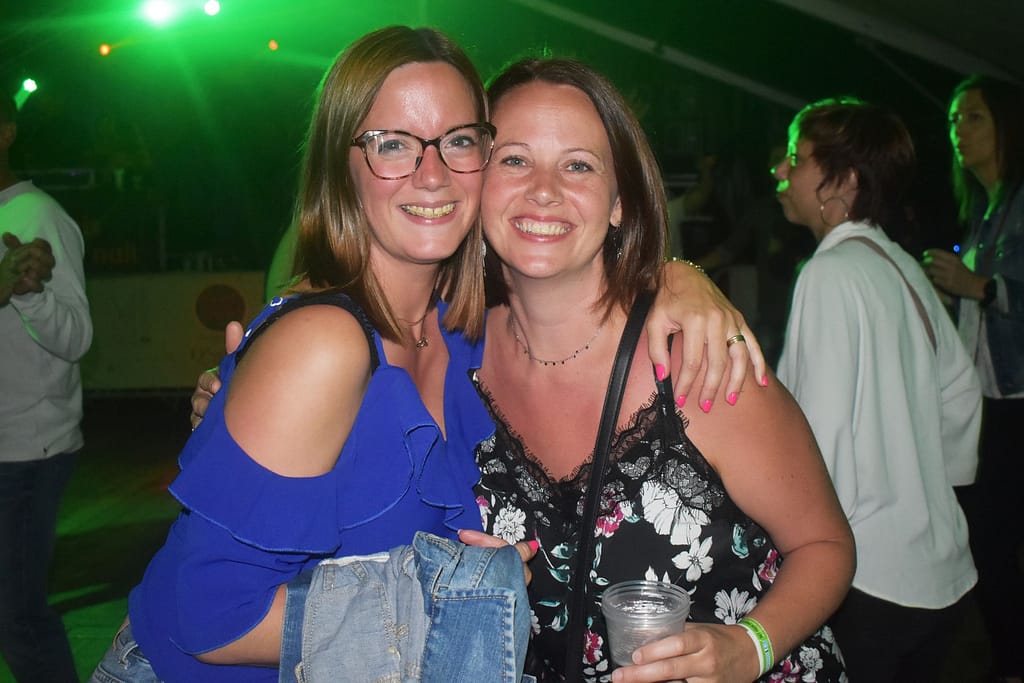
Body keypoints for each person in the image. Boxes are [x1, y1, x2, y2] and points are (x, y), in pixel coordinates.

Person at [469, 58, 854, 683]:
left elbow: (826, 546)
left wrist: (748, 647)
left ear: (619, 204)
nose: (544, 189)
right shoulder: (457, 360)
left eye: (578, 165)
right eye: (514, 159)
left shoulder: (695, 361)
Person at [773, 97, 982, 682]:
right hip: (940, 572)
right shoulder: (902, 265)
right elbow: (962, 393)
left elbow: (820, 432)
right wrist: (923, 489)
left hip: (867, 581)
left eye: (796, 158)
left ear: (843, 181)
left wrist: (797, 551)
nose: (780, 170)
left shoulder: (829, 273)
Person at [923, 74, 1024, 682]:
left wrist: (979, 286)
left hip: (1017, 400)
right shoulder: (986, 209)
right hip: (996, 399)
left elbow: (998, 294)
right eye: (954, 120)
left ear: (1008, 124)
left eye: (974, 118)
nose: (958, 131)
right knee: (989, 538)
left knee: (989, 538)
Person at [0, 95, 93, 682]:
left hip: (26, 451)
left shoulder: (38, 215)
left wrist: (29, 293)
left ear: (6, 132)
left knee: (17, 616)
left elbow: (77, 336)